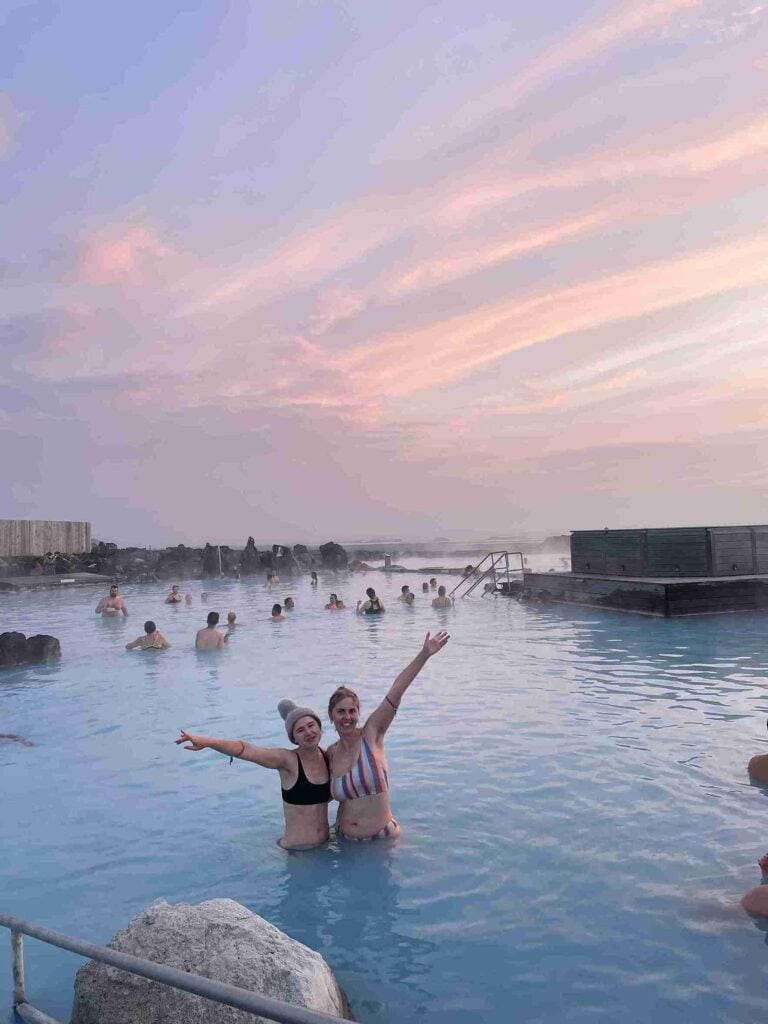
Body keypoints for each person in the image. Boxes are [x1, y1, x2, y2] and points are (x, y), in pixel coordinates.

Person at [327, 630, 450, 840]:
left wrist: (424, 655)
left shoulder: (371, 734)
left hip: (382, 840)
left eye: (352, 711)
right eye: (341, 712)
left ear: (358, 714)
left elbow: (396, 691)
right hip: (343, 842)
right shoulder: (330, 753)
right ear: (331, 715)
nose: (347, 717)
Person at [175, 699, 331, 850]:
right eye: (300, 730)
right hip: (298, 852)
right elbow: (246, 750)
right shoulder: (287, 760)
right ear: (293, 738)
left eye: (311, 725)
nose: (308, 732)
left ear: (319, 727)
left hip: (326, 847)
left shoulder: (327, 756)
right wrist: (208, 742)